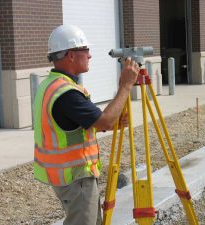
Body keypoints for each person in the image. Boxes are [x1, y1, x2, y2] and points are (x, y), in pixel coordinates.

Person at [33, 24, 140, 225]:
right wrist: (126, 85)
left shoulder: (52, 85)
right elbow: (105, 120)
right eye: (85, 50)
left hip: (65, 176)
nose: (89, 55)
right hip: (76, 178)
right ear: (71, 55)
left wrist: (110, 123)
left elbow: (85, 124)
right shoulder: (67, 93)